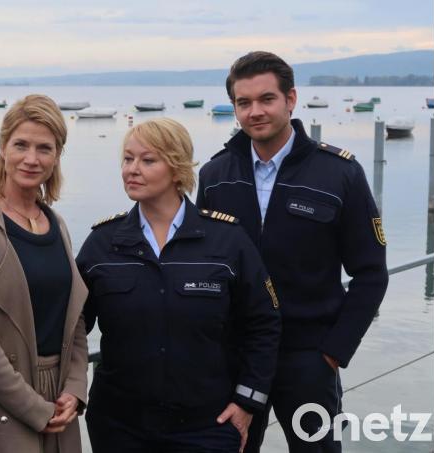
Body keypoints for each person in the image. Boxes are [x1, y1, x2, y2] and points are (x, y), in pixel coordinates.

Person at [196, 51, 389, 453]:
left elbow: (371, 272)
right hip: (235, 356)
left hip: (308, 358)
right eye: (243, 103)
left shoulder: (339, 173)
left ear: (291, 99)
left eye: (266, 99)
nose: (255, 112)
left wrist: (334, 352)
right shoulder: (214, 176)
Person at [76, 117, 281, 453]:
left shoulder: (227, 241)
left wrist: (248, 402)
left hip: (207, 427)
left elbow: (264, 323)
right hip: (119, 427)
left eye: (148, 160)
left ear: (177, 168)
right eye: (128, 159)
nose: (132, 169)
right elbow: (73, 328)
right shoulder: (102, 244)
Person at [0, 94, 89, 453]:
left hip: (59, 402)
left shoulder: (55, 223)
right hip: (1, 404)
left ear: (57, 155)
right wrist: (32, 407)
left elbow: (74, 320)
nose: (32, 159)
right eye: (21, 145)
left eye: (44, 148)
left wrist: (75, 388)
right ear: (2, 147)